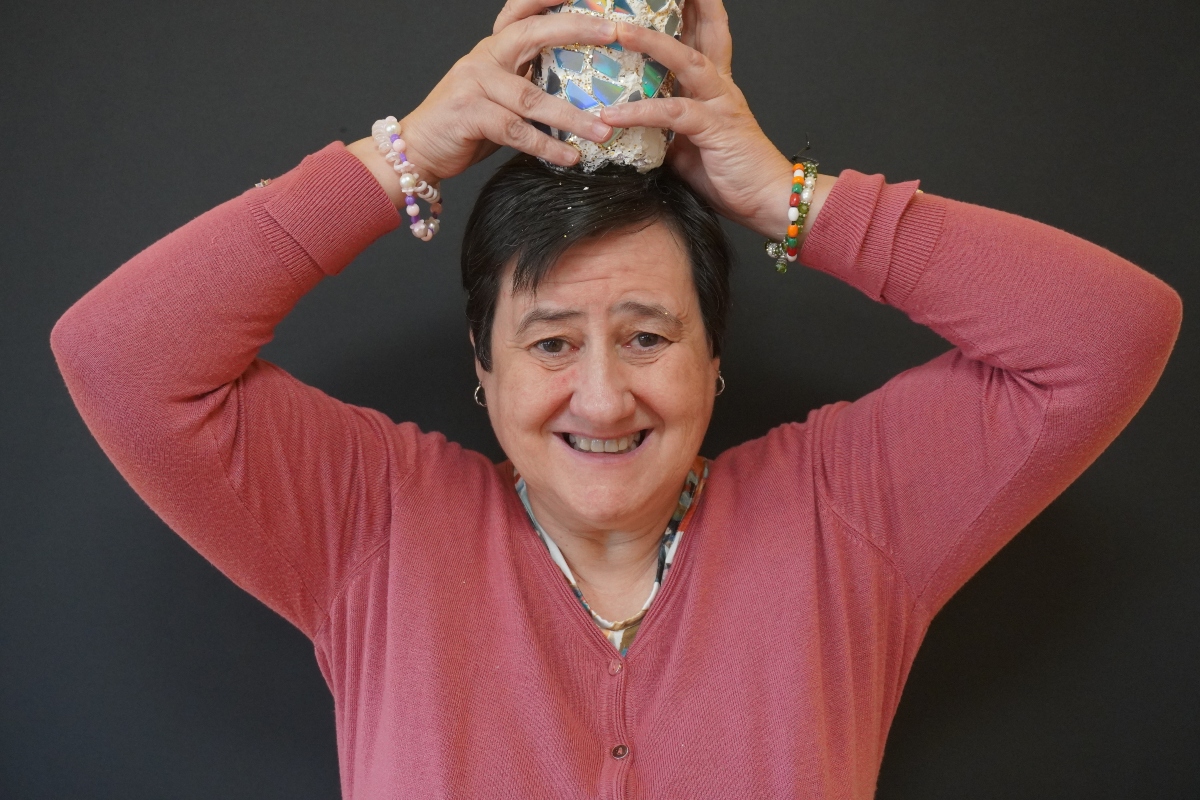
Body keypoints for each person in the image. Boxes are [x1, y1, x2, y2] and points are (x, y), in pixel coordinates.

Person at [50, 0, 1181, 796]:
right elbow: (120, 358)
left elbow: (1111, 333)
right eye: (550, 342)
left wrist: (788, 197)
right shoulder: (375, 524)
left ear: (713, 358)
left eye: (647, 336)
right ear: (483, 370)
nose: (601, 396)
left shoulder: (844, 514)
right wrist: (412, 151)